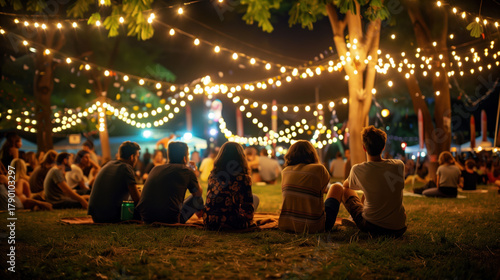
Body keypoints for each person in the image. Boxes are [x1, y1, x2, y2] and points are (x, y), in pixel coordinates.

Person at [341, 126, 407, 237]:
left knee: (344, 190)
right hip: (398, 229)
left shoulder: (358, 169)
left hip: (372, 227)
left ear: (364, 148)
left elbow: (346, 186)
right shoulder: (399, 165)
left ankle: (353, 218)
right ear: (383, 147)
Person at [279, 140, 344, 233]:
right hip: (314, 227)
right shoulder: (319, 169)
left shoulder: (285, 171)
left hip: (286, 225)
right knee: (337, 187)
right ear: (312, 154)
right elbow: (323, 188)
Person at [137, 141, 203, 224]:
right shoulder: (186, 171)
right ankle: (202, 216)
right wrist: (194, 172)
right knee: (198, 200)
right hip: (170, 219)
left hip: (146, 218)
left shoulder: (156, 168)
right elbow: (198, 194)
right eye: (188, 155)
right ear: (184, 158)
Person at [204, 142, 259, 230]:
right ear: (241, 157)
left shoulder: (212, 175)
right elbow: (247, 205)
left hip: (210, 221)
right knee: (255, 198)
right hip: (232, 222)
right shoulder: (243, 178)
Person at [87, 141, 141, 223]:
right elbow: (137, 200)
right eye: (137, 157)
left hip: (95, 216)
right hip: (110, 216)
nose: (137, 160)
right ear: (132, 157)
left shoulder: (108, 164)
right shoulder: (126, 168)